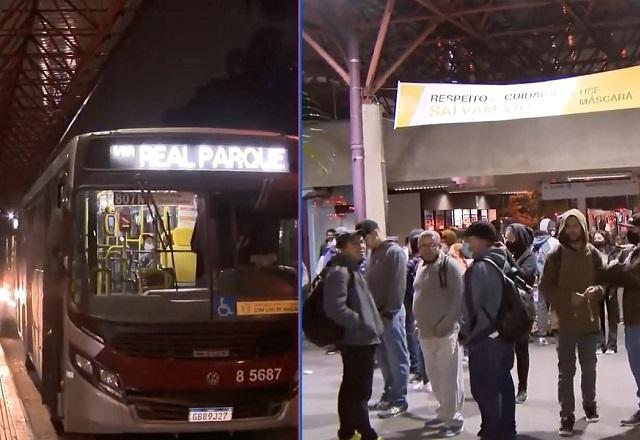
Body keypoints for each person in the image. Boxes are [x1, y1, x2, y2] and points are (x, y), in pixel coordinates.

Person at [539, 209, 605, 437]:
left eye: (576, 226)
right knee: (566, 371)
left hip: (589, 320)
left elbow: (604, 281)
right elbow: (545, 287)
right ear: (563, 228)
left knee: (589, 367)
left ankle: (590, 403)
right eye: (569, 226)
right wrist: (567, 298)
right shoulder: (555, 256)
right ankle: (566, 414)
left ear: (583, 227)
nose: (573, 230)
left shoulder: (593, 254)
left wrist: (597, 291)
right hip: (566, 322)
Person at [323, 230, 384, 440]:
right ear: (343, 247)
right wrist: (360, 324)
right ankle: (366, 433)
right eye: (355, 243)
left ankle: (348, 431)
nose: (361, 246)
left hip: (361, 338)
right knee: (359, 391)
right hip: (357, 340)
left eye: (361, 242)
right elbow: (335, 307)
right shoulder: (340, 272)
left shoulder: (353, 270)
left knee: (351, 387)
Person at [459, 221, 516, 440]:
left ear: (481, 240)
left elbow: (472, 307)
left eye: (470, 239)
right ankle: (507, 430)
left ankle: (491, 432)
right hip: (505, 333)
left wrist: (465, 334)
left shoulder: (480, 268)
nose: (467, 244)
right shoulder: (503, 261)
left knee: (485, 389)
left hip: (484, 337)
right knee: (503, 383)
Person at [413, 231, 464, 438]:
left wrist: (444, 324)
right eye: (422, 245)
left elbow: (457, 299)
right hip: (425, 333)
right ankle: (443, 412)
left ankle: (454, 419)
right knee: (434, 376)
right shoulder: (420, 266)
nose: (427, 248)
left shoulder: (449, 266)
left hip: (445, 333)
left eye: (431, 244)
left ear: (439, 244)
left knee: (449, 377)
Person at [357, 219, 409, 419]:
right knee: (384, 358)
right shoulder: (373, 253)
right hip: (375, 314)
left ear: (376, 233)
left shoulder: (393, 252)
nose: (366, 242)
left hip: (390, 314)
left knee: (397, 357)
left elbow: (398, 285)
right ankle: (389, 393)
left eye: (367, 237)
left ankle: (400, 399)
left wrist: (391, 310)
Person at [504, 223, 537, 405]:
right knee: (506, 348)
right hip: (508, 307)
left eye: (510, 238)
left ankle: (522, 387)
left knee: (521, 350)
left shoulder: (529, 256)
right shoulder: (512, 254)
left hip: (523, 308)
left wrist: (508, 257)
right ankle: (506, 385)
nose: (507, 242)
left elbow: (524, 275)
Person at [619, 214, 640, 427]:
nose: (628, 232)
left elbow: (629, 275)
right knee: (636, 363)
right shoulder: (632, 252)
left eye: (632, 228)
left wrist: (613, 269)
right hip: (633, 316)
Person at [405, 229, 430, 391]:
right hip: (422, 307)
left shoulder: (413, 264)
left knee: (420, 343)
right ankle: (424, 375)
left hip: (417, 307)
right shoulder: (420, 264)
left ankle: (423, 374)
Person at [532, 218, 560, 345]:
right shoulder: (554, 242)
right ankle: (556, 329)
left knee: (541, 306)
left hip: (538, 278)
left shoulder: (533, 243)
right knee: (555, 305)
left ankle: (541, 333)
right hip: (553, 277)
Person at [592, 230, 621, 354]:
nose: (598, 239)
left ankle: (612, 345)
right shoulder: (590, 252)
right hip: (596, 285)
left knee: (612, 316)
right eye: (596, 238)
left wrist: (615, 264)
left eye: (600, 237)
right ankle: (599, 344)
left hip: (611, 286)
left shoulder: (613, 251)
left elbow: (619, 266)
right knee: (598, 316)